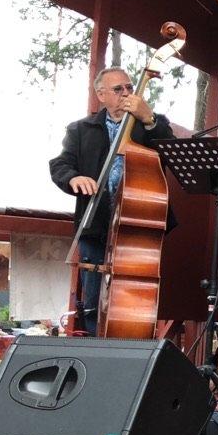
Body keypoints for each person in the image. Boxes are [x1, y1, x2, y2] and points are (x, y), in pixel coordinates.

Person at [49, 67, 175, 334]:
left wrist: (149, 119)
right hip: (96, 223)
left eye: (130, 87)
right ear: (101, 95)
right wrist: (73, 178)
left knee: (137, 297)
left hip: (140, 223)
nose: (127, 93)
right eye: (118, 89)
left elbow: (171, 152)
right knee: (94, 299)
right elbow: (61, 164)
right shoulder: (81, 129)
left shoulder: (151, 124)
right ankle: (97, 347)